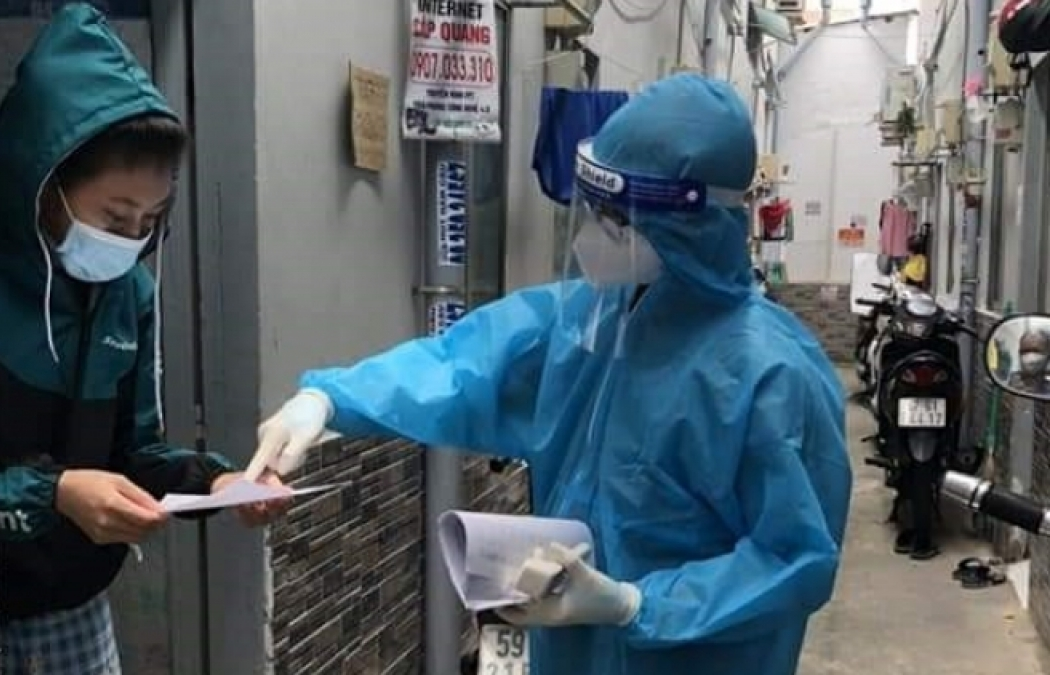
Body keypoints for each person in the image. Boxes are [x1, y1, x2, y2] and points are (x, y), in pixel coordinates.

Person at [247, 74, 852, 675]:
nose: (591, 235)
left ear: (686, 227)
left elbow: (792, 558)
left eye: (613, 218)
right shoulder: (593, 319)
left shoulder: (772, 376)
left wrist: (634, 605)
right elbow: (464, 363)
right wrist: (329, 400)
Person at [0, 5, 283, 673]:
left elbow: (134, 452)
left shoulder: (127, 293)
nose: (130, 240)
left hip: (74, 606)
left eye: (149, 220)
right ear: (44, 184)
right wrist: (54, 492)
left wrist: (220, 480)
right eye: (114, 218)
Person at [1007, 330, 1050, 394]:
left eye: (1036, 351)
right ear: (1019, 354)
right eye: (1025, 351)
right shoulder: (1008, 382)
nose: (1030, 357)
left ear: (1048, 356)